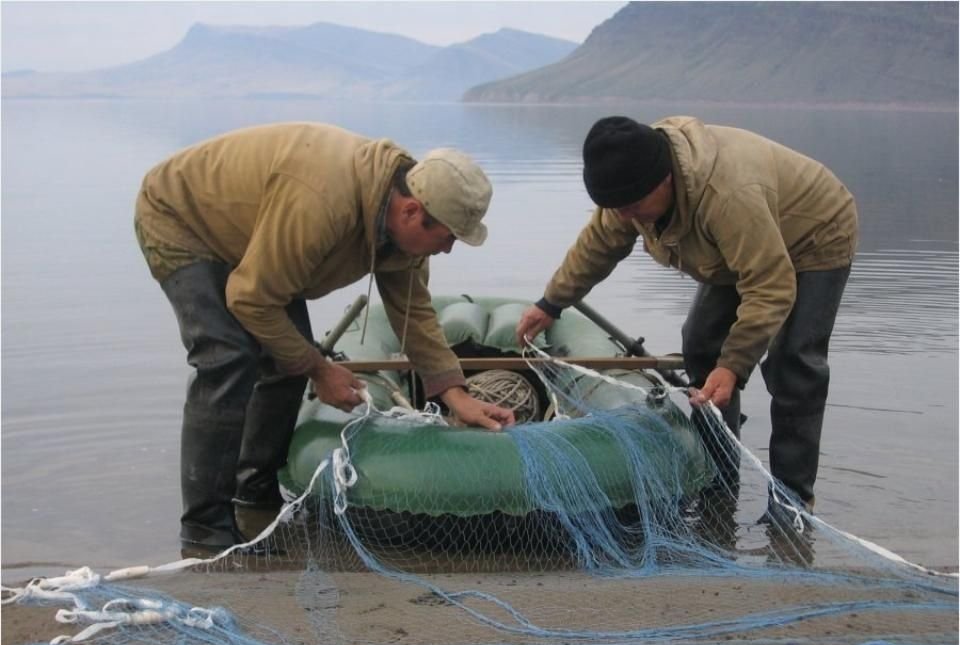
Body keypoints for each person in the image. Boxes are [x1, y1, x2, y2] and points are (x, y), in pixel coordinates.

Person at [135, 122, 515, 551]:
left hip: (257, 238)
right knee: (227, 358)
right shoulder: (321, 204)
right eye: (446, 239)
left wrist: (456, 394)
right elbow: (252, 300)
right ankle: (205, 528)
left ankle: (253, 493)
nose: (446, 251)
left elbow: (414, 312)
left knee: (285, 360)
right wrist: (320, 370)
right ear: (411, 212)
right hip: (182, 216)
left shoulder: (404, 228)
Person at [516, 115, 857, 511]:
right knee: (700, 341)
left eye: (633, 207)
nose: (625, 217)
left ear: (664, 181)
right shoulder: (631, 186)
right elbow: (599, 243)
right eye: (616, 208)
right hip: (735, 247)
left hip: (815, 235)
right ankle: (718, 475)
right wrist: (551, 302)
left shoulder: (728, 196)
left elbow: (770, 286)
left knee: (792, 364)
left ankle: (792, 501)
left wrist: (733, 365)